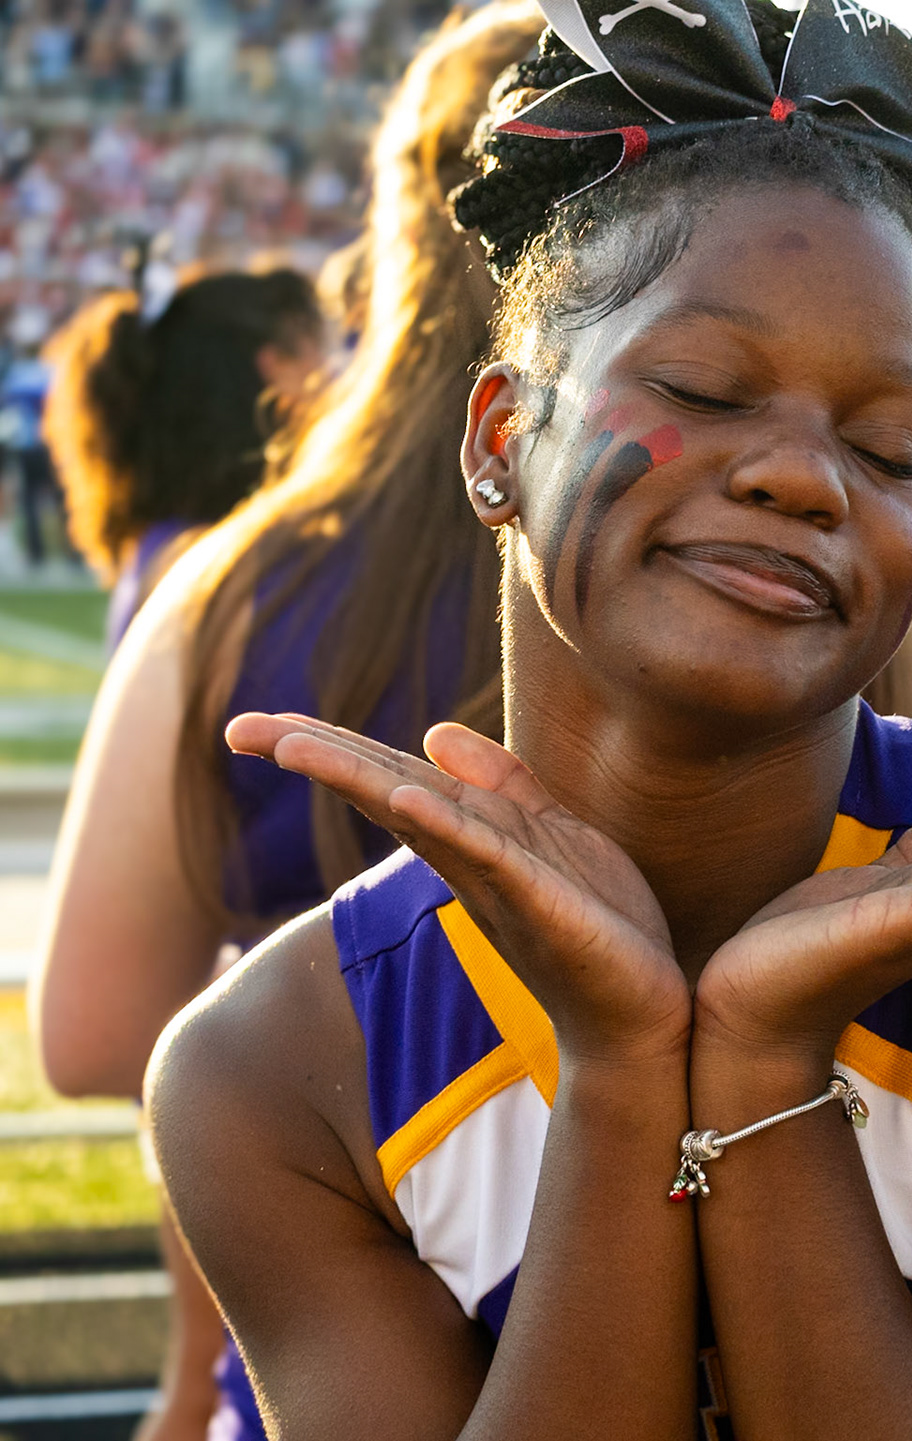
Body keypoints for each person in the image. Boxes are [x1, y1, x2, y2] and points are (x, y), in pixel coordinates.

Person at [146, 9, 912, 1441]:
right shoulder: (274, 1069)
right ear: (503, 440)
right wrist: (629, 1075)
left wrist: (754, 1068)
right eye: (698, 388)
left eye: (893, 450)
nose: (810, 481)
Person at [32, 8, 546, 1437]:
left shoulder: (238, 588)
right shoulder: (835, 564)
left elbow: (93, 1030)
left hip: (339, 1365)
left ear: (404, 221)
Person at [41, 270, 323, 647]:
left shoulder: (178, 546)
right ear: (276, 372)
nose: (333, 375)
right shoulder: (226, 565)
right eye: (317, 351)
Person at [0, 325, 64, 568]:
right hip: (49, 443)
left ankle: (37, 554)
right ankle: (73, 555)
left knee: (29, 501)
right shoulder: (51, 373)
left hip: (25, 444)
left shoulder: (15, 375)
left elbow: (7, 409)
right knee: (60, 500)